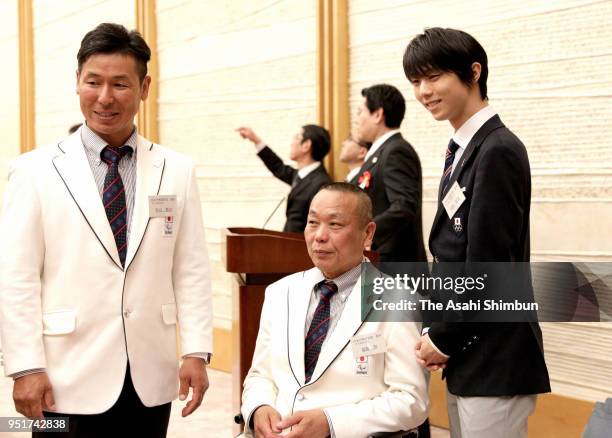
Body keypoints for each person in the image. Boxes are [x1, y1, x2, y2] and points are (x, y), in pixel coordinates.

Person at [0, 23, 213, 438]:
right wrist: (25, 365)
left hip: (149, 375)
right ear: (76, 82)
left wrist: (196, 351)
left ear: (144, 87)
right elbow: (16, 277)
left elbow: (191, 267)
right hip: (63, 377)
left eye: (120, 84)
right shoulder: (33, 170)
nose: (104, 97)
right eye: (93, 82)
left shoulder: (177, 170)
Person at [404, 27, 550, 438]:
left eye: (434, 77)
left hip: (494, 356)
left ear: (473, 72)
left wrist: (444, 338)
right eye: (416, 81)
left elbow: (490, 266)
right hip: (469, 353)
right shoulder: (464, 148)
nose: (423, 91)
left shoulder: (497, 149)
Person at [240, 183, 428, 438]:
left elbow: (410, 400)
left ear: (368, 234)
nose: (319, 235)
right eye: (312, 222)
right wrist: (259, 408)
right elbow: (261, 375)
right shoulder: (280, 292)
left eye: (335, 225)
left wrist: (330, 422)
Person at [353, 84, 426, 263]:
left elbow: (404, 205)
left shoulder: (396, 151)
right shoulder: (381, 152)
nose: (356, 119)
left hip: (394, 263)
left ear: (378, 114)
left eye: (360, 112)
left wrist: (365, 235)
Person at [237, 125, 332, 233]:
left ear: (306, 145)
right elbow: (278, 167)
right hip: (287, 244)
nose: (291, 143)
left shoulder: (322, 184)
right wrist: (255, 140)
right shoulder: (301, 175)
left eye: (296, 137)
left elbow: (317, 226)